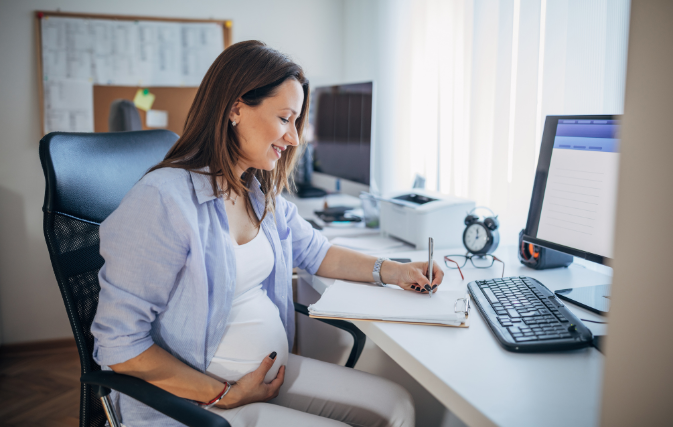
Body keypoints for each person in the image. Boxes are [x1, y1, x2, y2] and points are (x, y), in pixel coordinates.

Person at [91, 40, 444, 427]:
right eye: (285, 118)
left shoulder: (256, 193)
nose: (294, 138)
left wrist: (396, 270)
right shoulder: (163, 200)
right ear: (236, 108)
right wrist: (222, 393)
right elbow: (119, 345)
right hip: (197, 403)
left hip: (261, 379)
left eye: (296, 122)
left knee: (397, 405)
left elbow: (318, 253)